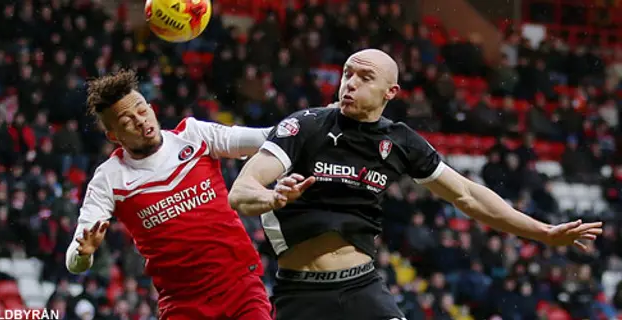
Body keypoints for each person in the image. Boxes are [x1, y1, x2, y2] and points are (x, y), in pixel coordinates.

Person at [227, 48, 603, 320]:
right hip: (301, 294)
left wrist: (543, 232)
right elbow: (240, 192)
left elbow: (468, 195)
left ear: (390, 93)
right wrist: (272, 196)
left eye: (365, 77)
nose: (350, 84)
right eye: (347, 74)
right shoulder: (305, 125)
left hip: (362, 287)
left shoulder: (400, 141)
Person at [65, 70, 273, 320]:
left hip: (240, 289)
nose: (141, 121)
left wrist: (315, 120)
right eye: (127, 120)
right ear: (113, 136)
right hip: (184, 305)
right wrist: (83, 254)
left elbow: (268, 137)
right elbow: (74, 261)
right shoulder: (108, 179)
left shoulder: (195, 135)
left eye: (142, 110)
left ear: (151, 107)